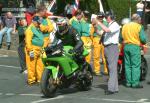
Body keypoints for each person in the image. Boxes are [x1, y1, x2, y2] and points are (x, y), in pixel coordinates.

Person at [96, 11, 120, 95]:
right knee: (110, 68)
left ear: (110, 17)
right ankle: (115, 87)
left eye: (106, 16)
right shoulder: (110, 24)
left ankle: (111, 89)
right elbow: (101, 33)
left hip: (112, 47)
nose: (105, 18)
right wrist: (95, 26)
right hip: (107, 47)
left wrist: (98, 22)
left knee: (112, 68)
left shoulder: (115, 24)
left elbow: (107, 30)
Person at [121, 14, 147, 88]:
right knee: (135, 65)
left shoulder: (125, 26)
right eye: (140, 19)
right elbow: (143, 39)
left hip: (126, 46)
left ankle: (128, 83)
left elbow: (121, 37)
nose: (140, 20)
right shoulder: (138, 26)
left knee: (127, 65)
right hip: (134, 46)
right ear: (137, 19)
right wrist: (143, 43)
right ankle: (135, 83)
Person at [25, 16, 44, 85]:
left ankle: (40, 79)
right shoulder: (30, 29)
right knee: (31, 65)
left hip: (39, 49)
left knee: (40, 65)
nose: (39, 24)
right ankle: (31, 80)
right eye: (38, 23)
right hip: (32, 49)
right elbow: (28, 40)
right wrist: (30, 50)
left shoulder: (37, 27)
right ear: (34, 21)